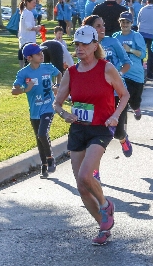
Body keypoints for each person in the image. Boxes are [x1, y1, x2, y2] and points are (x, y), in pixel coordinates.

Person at [53, 25, 129, 245]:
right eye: (77, 44)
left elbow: (124, 95)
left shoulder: (106, 68)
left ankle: (106, 205)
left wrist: (115, 116)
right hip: (78, 128)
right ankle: (103, 227)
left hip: (101, 127)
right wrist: (64, 114)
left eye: (85, 44)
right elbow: (57, 103)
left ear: (95, 45)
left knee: (87, 176)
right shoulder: (72, 72)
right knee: (81, 186)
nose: (80, 48)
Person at [83, 15, 133, 157]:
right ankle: (94, 169)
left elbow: (127, 63)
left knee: (117, 132)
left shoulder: (112, 42)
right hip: (97, 95)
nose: (102, 28)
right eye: (98, 26)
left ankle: (123, 138)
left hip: (117, 93)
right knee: (96, 135)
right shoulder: (84, 45)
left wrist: (118, 74)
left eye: (103, 25)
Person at [12, 43, 62, 178]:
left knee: (42, 133)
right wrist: (24, 89)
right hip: (34, 111)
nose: (42, 55)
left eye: (42, 52)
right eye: (38, 53)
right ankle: (44, 165)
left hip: (48, 107)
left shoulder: (48, 67)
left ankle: (51, 159)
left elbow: (59, 74)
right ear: (29, 58)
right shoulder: (23, 73)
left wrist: (57, 85)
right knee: (39, 138)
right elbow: (14, 90)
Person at [113, 12, 147, 121]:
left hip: (136, 75)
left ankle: (136, 108)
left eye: (127, 22)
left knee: (134, 101)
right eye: (123, 22)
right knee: (122, 102)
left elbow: (143, 54)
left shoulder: (137, 36)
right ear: (120, 23)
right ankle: (122, 132)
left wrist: (130, 50)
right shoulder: (116, 36)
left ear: (131, 23)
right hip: (121, 73)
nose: (125, 24)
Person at [137, 0, 153, 81]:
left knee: (141, 53)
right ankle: (150, 74)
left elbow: (138, 21)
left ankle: (139, 72)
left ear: (147, 1)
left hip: (141, 33)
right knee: (151, 54)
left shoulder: (142, 9)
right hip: (152, 33)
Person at [18, 0, 42, 68]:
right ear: (28, 2)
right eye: (33, 2)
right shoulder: (28, 13)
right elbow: (29, 27)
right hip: (28, 40)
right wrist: (37, 27)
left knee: (25, 60)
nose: (35, 4)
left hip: (24, 39)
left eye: (35, 2)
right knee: (28, 62)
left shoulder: (24, 12)